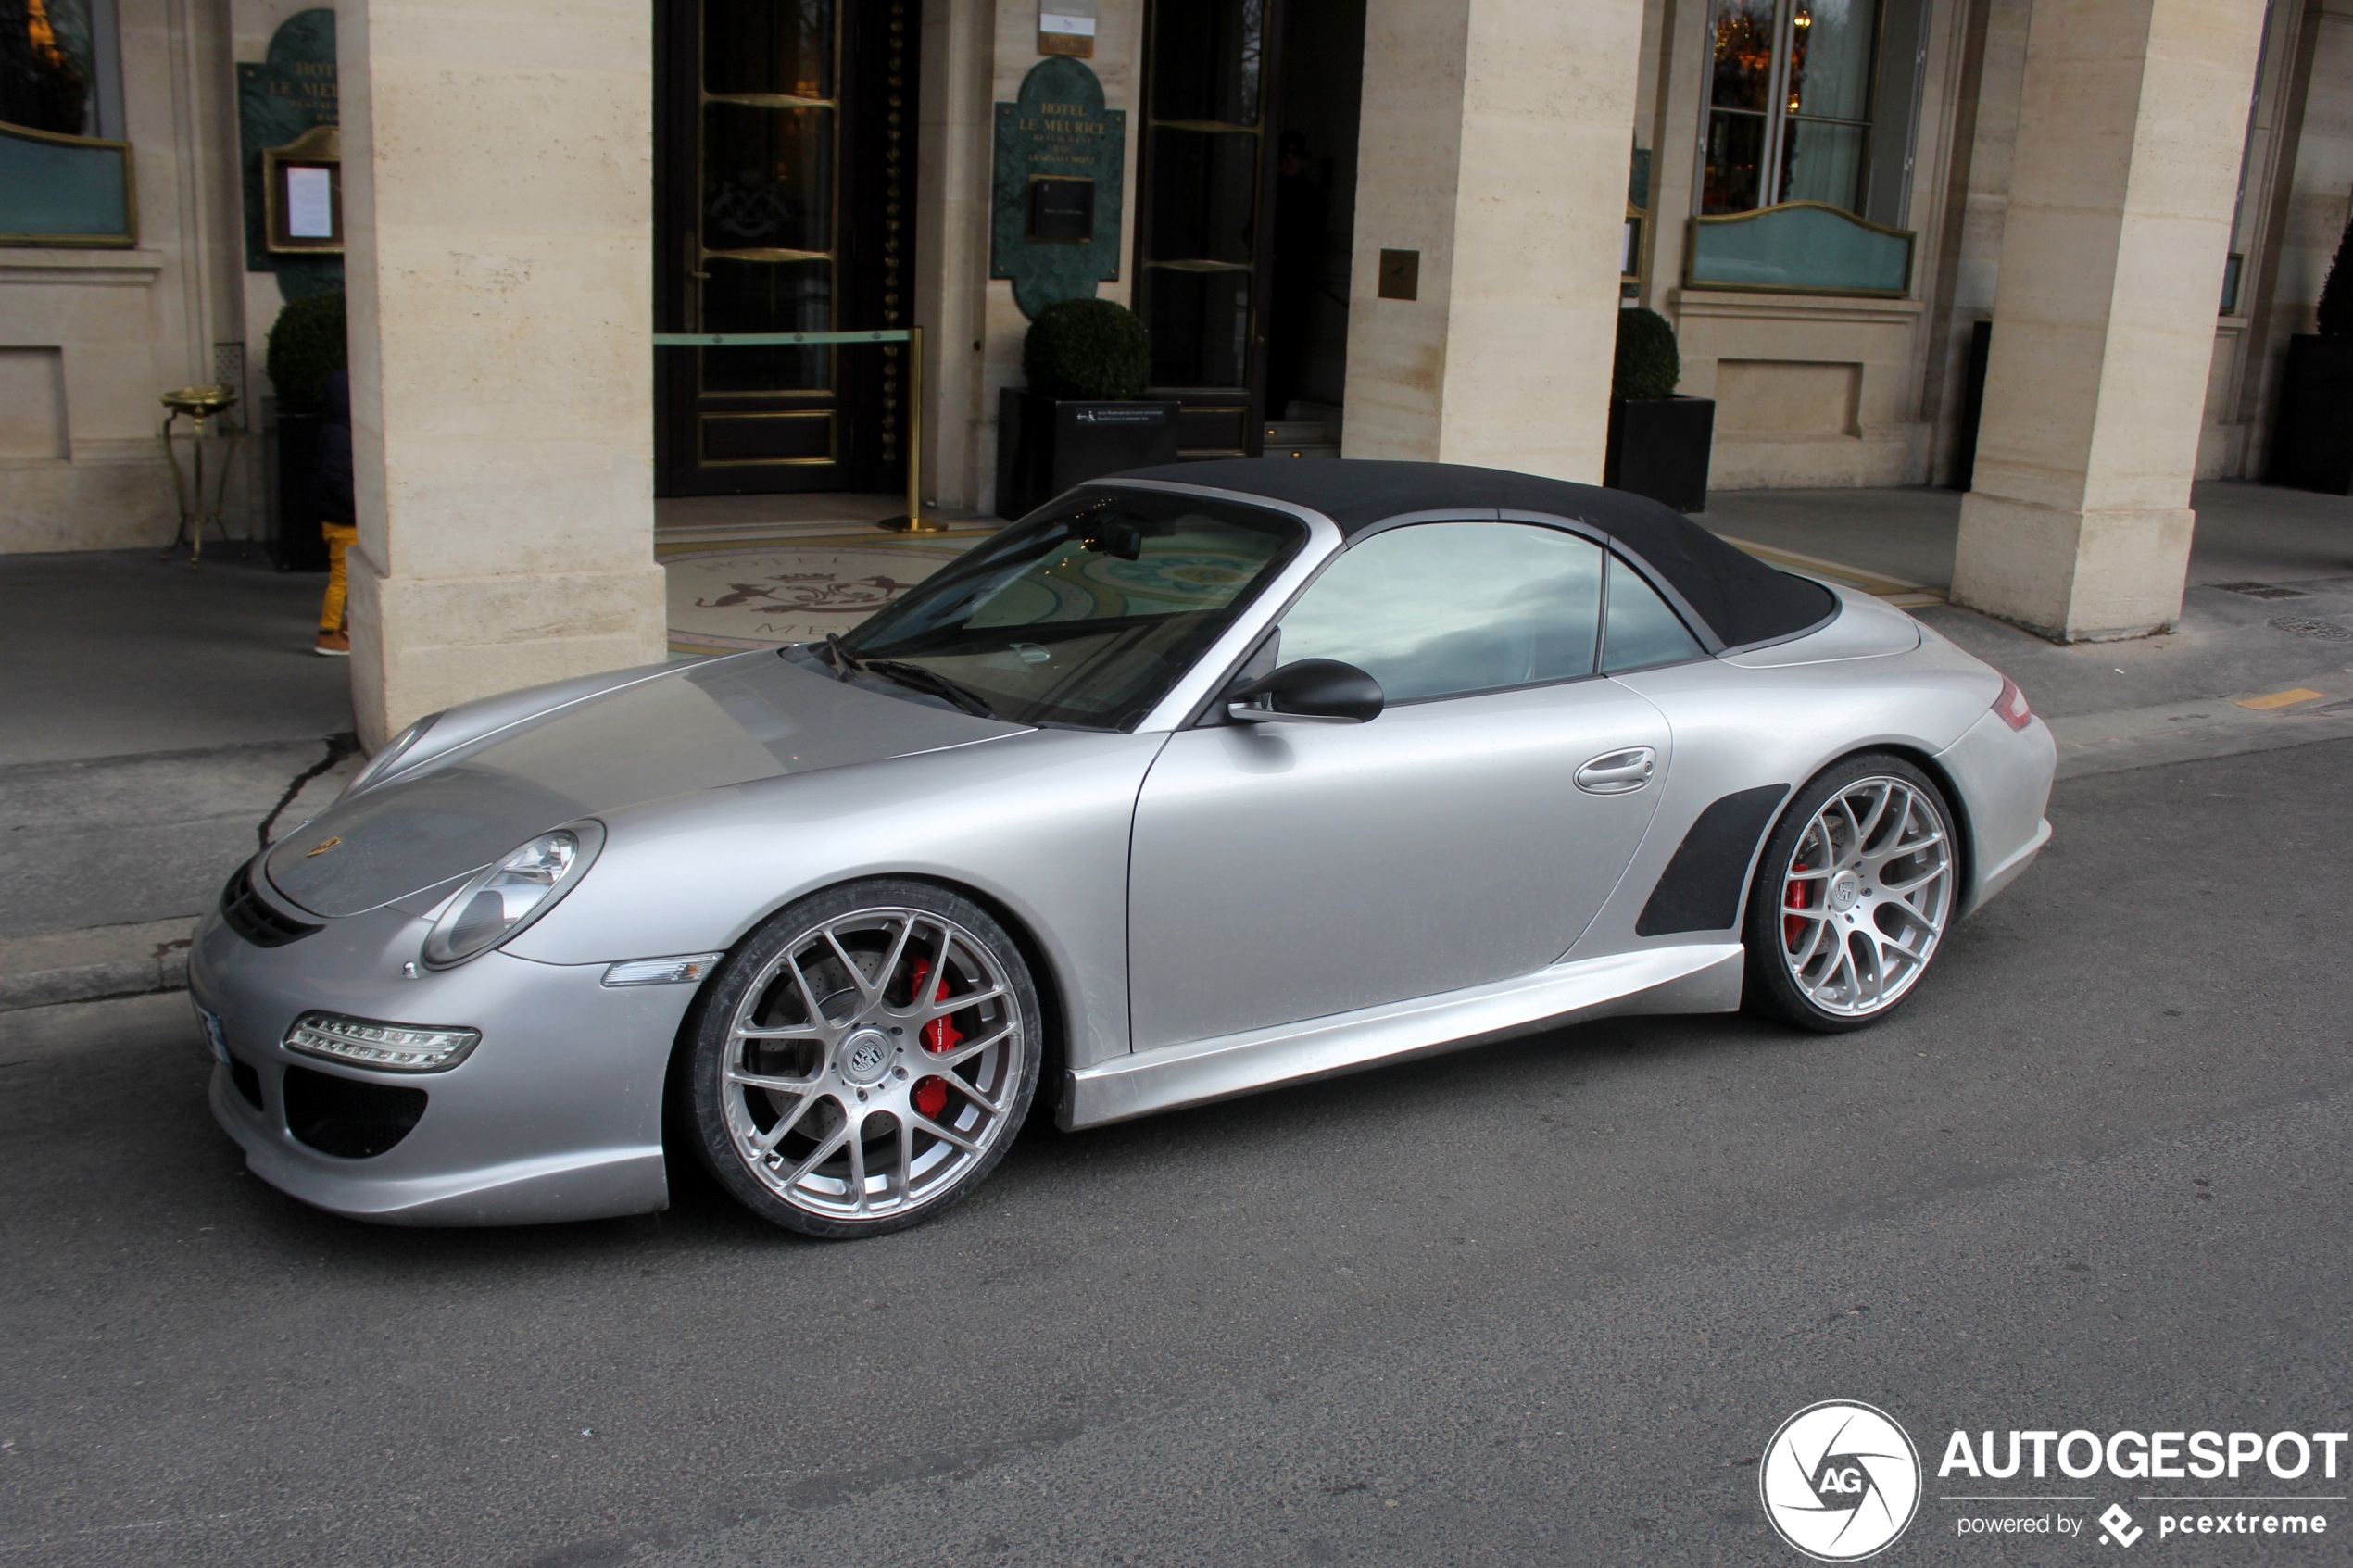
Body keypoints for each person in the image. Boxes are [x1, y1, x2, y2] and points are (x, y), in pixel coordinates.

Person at [1265, 130, 1328, 420]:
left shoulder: (1314, 197)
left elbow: (1314, 240)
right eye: (1285, 157)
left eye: (1294, 157)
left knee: (1289, 345)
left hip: (1295, 280)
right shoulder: (1267, 192)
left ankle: (1278, 404)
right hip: (1270, 280)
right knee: (1266, 343)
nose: (1290, 162)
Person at [312, 368, 355, 657]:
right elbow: (336, 479)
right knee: (341, 579)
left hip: (343, 516)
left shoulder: (336, 430)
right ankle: (328, 633)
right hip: (343, 519)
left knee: (348, 577)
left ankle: (344, 627)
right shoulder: (340, 435)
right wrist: (359, 504)